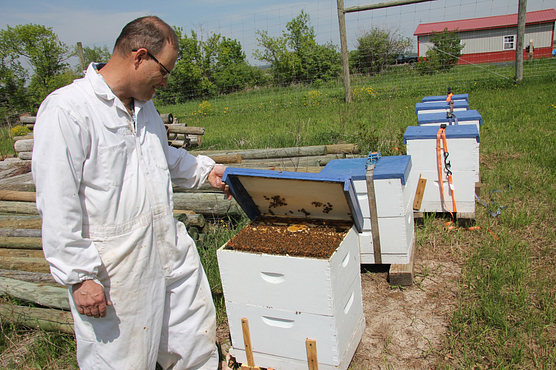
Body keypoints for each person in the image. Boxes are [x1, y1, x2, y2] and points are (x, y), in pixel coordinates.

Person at [32, 16, 229, 370]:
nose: (166, 82)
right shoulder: (68, 110)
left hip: (168, 249)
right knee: (121, 361)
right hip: (115, 268)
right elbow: (57, 200)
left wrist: (208, 173)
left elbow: (163, 158)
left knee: (195, 346)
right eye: (164, 71)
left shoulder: (144, 108)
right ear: (139, 56)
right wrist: (79, 275)